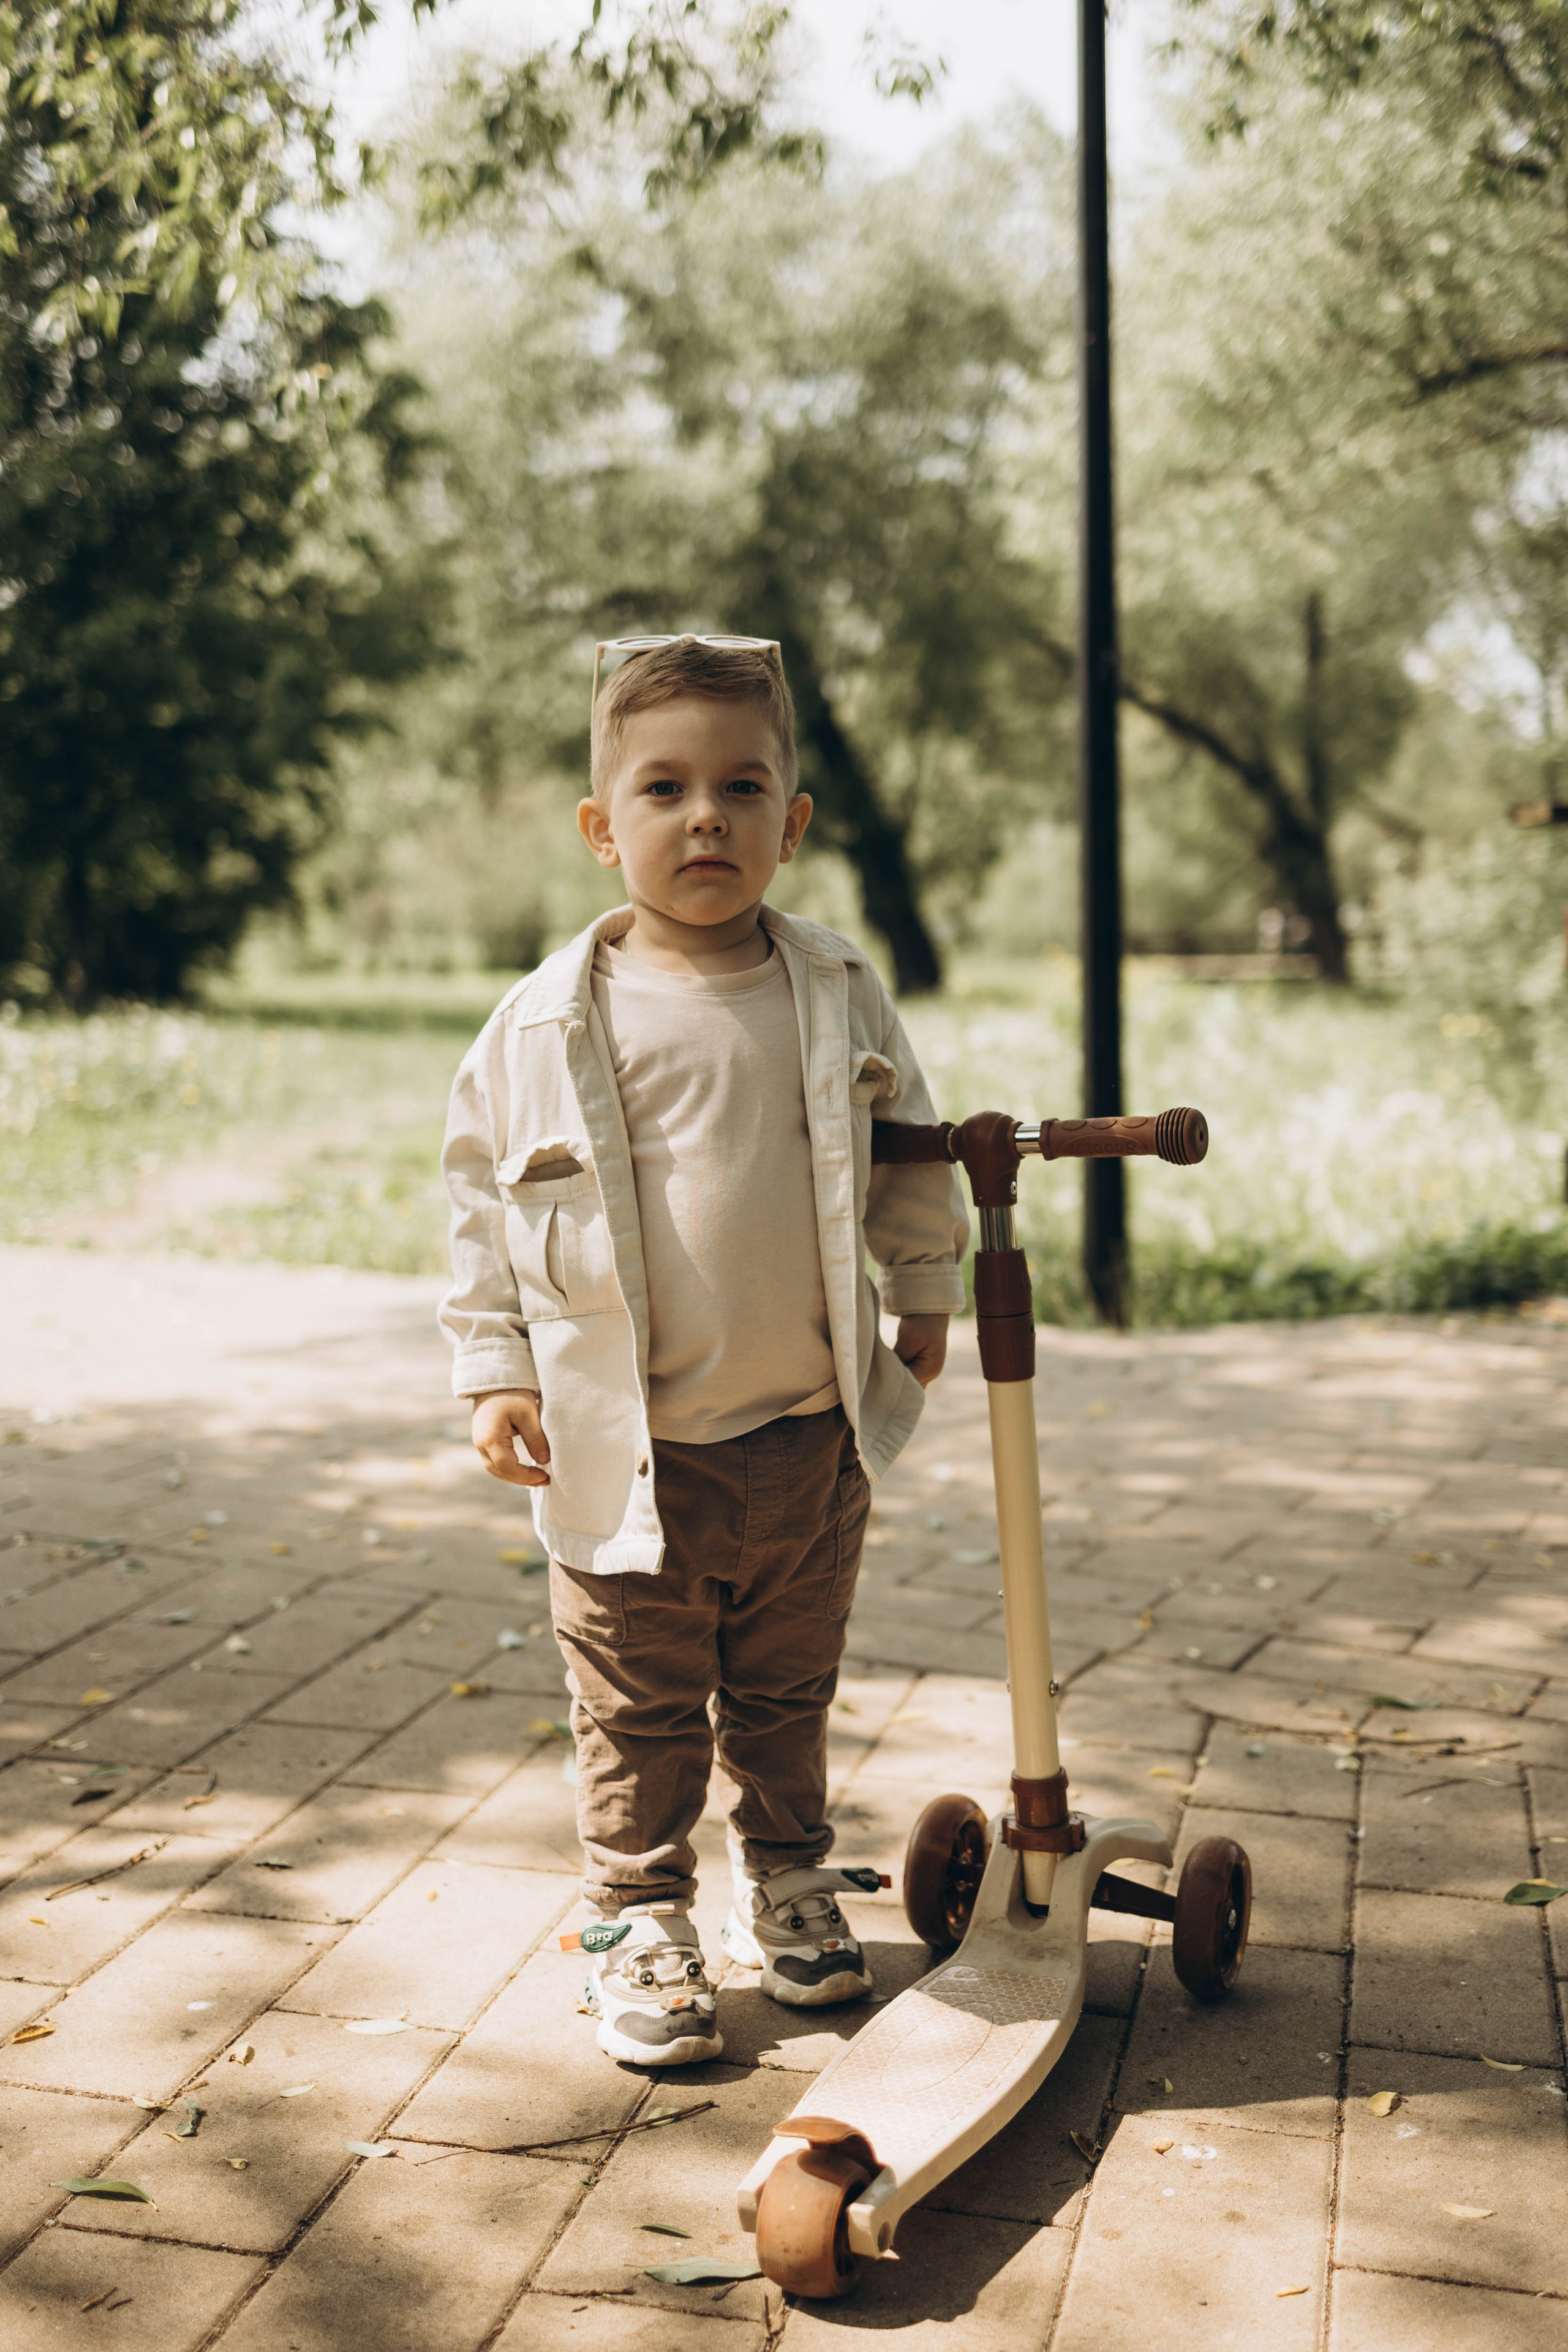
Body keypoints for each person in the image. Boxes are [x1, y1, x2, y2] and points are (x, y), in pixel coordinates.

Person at [439, 634, 967, 2066]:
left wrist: (924, 1281)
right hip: (628, 1455)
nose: (704, 819)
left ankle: (788, 1879)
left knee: (786, 1690)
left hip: (805, 1435)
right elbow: (484, 1192)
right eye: (663, 790)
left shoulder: (832, 987)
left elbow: (909, 1142)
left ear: (790, 824)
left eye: (742, 788)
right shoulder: (552, 1017)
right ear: (603, 827)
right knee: (638, 1709)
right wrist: (493, 1367)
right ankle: (636, 1909)